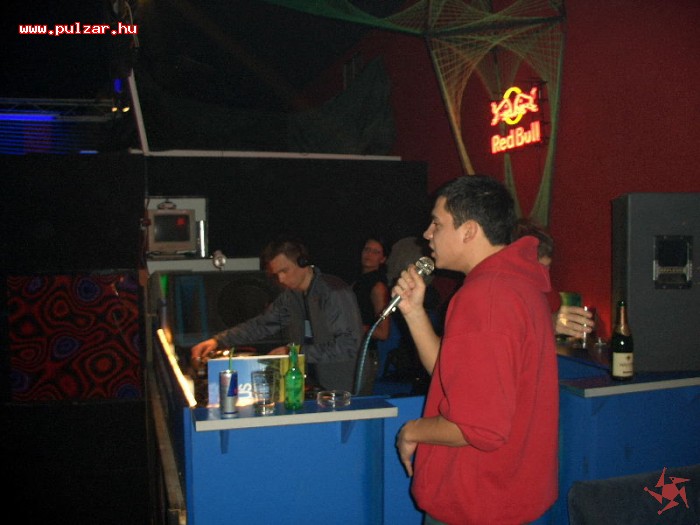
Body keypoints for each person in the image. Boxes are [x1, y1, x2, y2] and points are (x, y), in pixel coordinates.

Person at [394, 175, 558, 524]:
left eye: (437, 224)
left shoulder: (486, 297)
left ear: (469, 230)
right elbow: (453, 375)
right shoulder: (514, 284)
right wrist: (414, 313)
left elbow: (479, 427)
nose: (427, 234)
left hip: (475, 502)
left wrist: (413, 430)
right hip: (504, 496)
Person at [191, 236, 364, 393]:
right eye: (276, 274)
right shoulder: (291, 297)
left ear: (302, 262)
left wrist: (293, 353)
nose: (280, 279)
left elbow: (348, 346)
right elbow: (261, 325)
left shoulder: (334, 292)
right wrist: (218, 341)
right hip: (313, 385)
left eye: (284, 271)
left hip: (344, 388)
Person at [512, 218, 595, 340]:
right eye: (537, 270)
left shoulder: (551, 295)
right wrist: (549, 323)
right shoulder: (500, 293)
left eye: (547, 268)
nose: (545, 278)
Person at [351, 236, 391, 395]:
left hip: (365, 356)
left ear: (383, 259)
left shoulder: (378, 287)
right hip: (352, 352)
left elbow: (383, 332)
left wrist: (352, 326)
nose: (369, 254)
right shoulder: (358, 281)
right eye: (367, 249)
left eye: (376, 252)